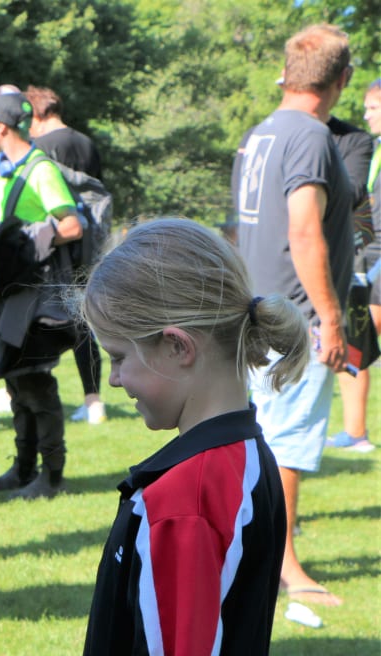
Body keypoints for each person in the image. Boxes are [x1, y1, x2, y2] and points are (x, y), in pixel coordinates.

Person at [80, 218, 305, 655]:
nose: (112, 379)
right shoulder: (248, 455)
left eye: (118, 357)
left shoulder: (183, 502)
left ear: (177, 347)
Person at [232, 23, 354, 608]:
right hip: (294, 320)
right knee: (285, 447)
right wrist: (330, 318)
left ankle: (252, 551)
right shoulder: (310, 135)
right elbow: (304, 230)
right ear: (341, 80)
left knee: (258, 441)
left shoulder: (260, 133)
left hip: (257, 308)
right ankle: (284, 567)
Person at [0, 92, 82, 499]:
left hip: (36, 298)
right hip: (14, 294)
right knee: (16, 384)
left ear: (1, 127)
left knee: (36, 384)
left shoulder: (39, 170)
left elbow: (72, 225)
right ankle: (23, 470)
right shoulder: (9, 172)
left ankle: (51, 475)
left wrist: (32, 238)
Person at [25, 85, 108, 425]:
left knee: (44, 318)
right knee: (83, 323)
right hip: (89, 245)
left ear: (37, 114)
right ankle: (94, 401)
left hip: (59, 246)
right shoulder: (86, 143)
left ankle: (34, 387)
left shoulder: (40, 149)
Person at [324, 89, 378, 452]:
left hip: (377, 259)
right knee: (355, 341)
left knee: (356, 339)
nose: (369, 115)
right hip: (368, 254)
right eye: (367, 108)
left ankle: (357, 433)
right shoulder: (375, 148)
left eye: (375, 108)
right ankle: (356, 432)